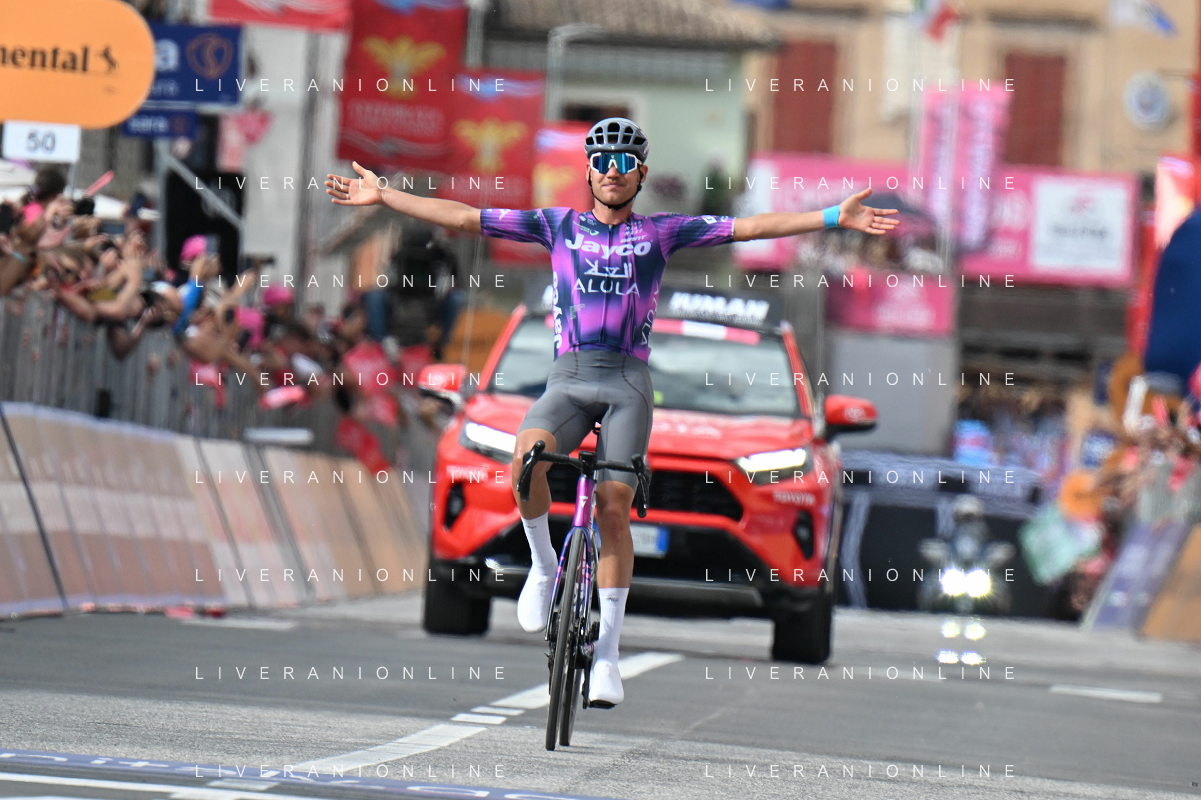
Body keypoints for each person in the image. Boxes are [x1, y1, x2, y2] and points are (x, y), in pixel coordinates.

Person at [326, 117, 899, 707]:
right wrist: (386, 196)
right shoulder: (556, 226)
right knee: (525, 460)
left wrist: (833, 217)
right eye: (602, 162)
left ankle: (606, 654)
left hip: (627, 385)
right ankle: (543, 567)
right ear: (589, 170)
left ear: (640, 174)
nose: (613, 172)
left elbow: (749, 227)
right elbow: (466, 217)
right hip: (568, 380)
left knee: (614, 507)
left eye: (625, 163)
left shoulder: (661, 233)